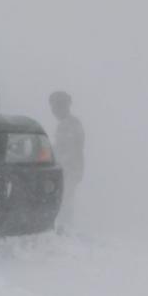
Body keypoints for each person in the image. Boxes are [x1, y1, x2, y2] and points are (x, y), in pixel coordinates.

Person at [49, 91, 84, 230]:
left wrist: (57, 161)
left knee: (64, 200)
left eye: (55, 107)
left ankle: (65, 228)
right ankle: (63, 227)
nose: (53, 111)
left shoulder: (71, 124)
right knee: (64, 199)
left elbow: (71, 149)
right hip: (69, 169)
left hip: (69, 169)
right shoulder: (66, 124)